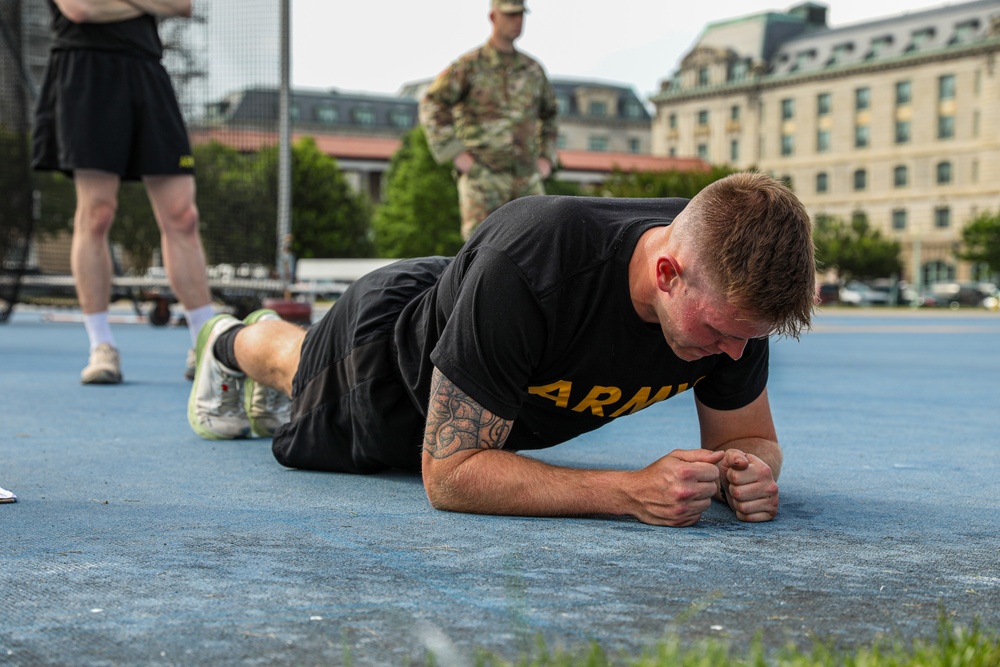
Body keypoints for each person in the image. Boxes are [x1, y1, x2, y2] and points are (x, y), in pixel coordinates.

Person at [188, 172, 815, 527]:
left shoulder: (731, 296)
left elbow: (749, 436)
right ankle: (226, 340)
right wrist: (629, 491)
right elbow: (452, 475)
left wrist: (752, 471)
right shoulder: (540, 262)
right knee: (293, 367)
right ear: (667, 274)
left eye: (748, 338)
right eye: (720, 335)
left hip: (478, 300)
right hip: (384, 359)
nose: (733, 355)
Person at [32, 0, 215, 384]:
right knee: (97, 212)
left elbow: (182, 5)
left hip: (147, 69)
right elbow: (80, 9)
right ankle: (102, 346)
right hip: (85, 71)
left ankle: (205, 342)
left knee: (183, 215)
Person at [419, 0, 558, 241]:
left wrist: (546, 156)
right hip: (484, 177)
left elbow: (550, 113)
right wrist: (455, 152)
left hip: (525, 177)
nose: (517, 21)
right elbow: (432, 102)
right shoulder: (469, 66)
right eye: (510, 15)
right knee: (481, 251)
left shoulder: (532, 69)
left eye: (521, 15)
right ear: (493, 17)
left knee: (539, 244)